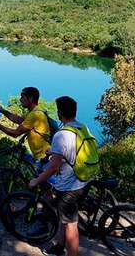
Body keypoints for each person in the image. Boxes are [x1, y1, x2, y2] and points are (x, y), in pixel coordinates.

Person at [28, 96, 88, 256]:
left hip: (69, 185)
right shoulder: (81, 127)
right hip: (82, 180)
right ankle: (59, 246)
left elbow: (53, 167)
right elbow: (72, 151)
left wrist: (36, 180)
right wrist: (53, 152)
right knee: (65, 219)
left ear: (60, 112)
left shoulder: (61, 135)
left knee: (71, 225)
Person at [0, 87, 51, 162]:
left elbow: (15, 133)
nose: (20, 99)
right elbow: (18, 120)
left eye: (22, 97)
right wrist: (2, 110)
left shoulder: (35, 114)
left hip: (44, 158)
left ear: (30, 98)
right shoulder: (35, 111)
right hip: (43, 156)